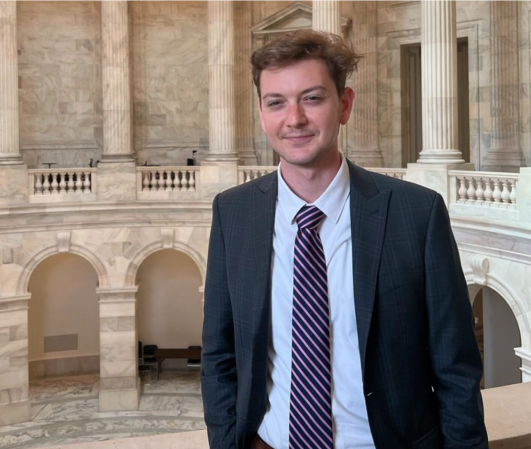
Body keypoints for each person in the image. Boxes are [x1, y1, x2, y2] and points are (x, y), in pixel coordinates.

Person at [201, 30, 488, 449]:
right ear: (262, 113)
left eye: (312, 98)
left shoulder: (417, 213)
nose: (293, 118)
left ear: (345, 105)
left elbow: (456, 369)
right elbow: (219, 357)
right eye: (276, 102)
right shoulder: (234, 212)